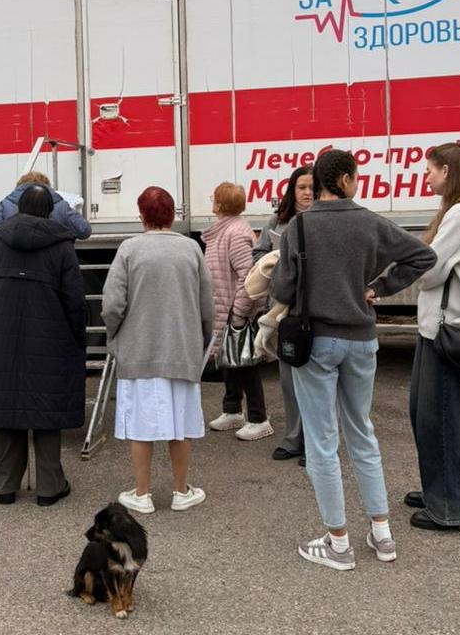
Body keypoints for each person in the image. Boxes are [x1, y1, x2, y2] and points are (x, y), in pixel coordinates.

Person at [272, 150, 436, 571]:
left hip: (317, 342)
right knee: (363, 432)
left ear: (321, 183)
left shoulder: (300, 226)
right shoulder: (371, 222)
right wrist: (379, 288)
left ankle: (338, 543)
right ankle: (382, 534)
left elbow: (282, 291)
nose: (358, 182)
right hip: (361, 340)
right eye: (357, 176)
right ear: (343, 179)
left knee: (323, 442)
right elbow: (423, 256)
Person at [0, 184, 87, 506]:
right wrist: (79, 336)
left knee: (6, 406)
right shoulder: (61, 245)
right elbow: (75, 299)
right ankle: (49, 487)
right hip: (50, 337)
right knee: (45, 410)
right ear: (51, 210)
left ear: (18, 208)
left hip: (3, 337)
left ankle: (5, 485)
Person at [101, 186, 214, 515]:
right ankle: (181, 491)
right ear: (172, 213)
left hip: (139, 351)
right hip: (181, 349)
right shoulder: (191, 249)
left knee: (141, 425)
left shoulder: (129, 250)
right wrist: (202, 339)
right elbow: (207, 305)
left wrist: (116, 334)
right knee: (181, 423)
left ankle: (142, 493)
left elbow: (112, 304)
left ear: (142, 215)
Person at [407, 142, 460, 533]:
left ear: (446, 170)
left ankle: (452, 508)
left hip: (444, 329)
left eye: (430, 170)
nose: (426, 176)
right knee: (428, 415)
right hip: (440, 328)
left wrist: (411, 261)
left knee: (440, 418)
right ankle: (438, 489)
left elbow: (430, 272)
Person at [203, 182, 273, 441]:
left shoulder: (235, 233)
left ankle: (259, 418)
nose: (212, 201)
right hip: (225, 307)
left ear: (219, 205)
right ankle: (232, 410)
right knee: (228, 358)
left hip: (235, 309)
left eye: (214, 198)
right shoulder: (225, 231)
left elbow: (250, 276)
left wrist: (240, 312)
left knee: (245, 363)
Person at [252, 166, 313, 461]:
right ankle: (292, 439)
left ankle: (314, 444)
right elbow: (256, 254)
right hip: (282, 313)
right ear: (292, 190)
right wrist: (272, 261)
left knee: (315, 382)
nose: (307, 193)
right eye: (301, 187)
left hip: (315, 311)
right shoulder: (276, 222)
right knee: (288, 379)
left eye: (312, 187)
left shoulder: (321, 221)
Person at [0, 170, 91, 247]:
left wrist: (0, 249)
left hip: (16, 265)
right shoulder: (61, 205)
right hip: (51, 265)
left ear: (19, 186)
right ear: (48, 187)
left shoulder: (7, 204)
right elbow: (84, 231)